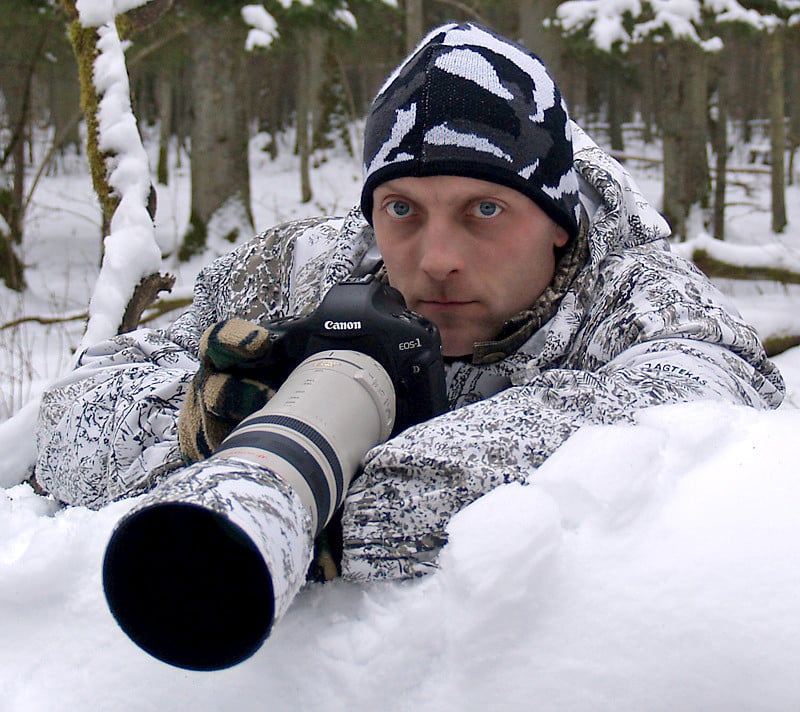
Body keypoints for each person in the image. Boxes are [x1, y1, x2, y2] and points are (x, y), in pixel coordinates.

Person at [33, 23, 784, 582]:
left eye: (485, 210)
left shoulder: (634, 295)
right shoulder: (308, 271)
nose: (436, 260)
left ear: (556, 226)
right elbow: (70, 418)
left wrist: (350, 494)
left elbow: (698, 407)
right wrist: (204, 424)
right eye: (402, 210)